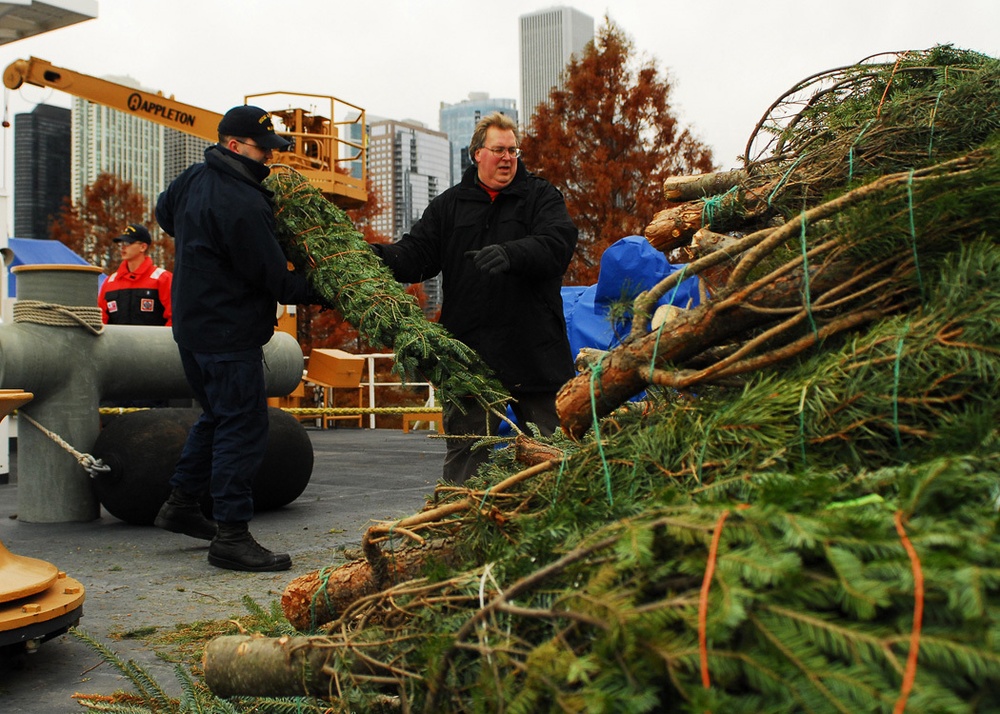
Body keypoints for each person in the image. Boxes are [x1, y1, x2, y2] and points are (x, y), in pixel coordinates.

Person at [371, 111, 578, 484]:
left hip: (535, 354)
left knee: (554, 453)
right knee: (467, 455)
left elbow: (557, 244)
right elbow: (417, 256)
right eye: (499, 149)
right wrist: (377, 256)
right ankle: (460, 524)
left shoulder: (541, 197)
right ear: (477, 154)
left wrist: (512, 254)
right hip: (469, 356)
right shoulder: (449, 206)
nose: (508, 157)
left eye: (513, 150)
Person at [153, 105, 314, 572]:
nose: (269, 158)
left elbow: (166, 214)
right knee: (243, 428)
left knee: (217, 417)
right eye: (264, 149)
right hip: (227, 334)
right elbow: (277, 281)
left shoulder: (191, 180)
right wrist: (330, 287)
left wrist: (203, 247)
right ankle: (231, 536)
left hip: (191, 327)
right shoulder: (244, 202)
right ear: (233, 145)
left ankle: (181, 503)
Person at [97, 223, 172, 326]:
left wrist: (161, 341)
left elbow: (174, 318)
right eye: (121, 243)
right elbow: (100, 321)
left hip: (153, 341)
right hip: (117, 342)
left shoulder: (163, 279)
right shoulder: (110, 282)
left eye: (128, 243)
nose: (123, 247)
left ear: (143, 247)